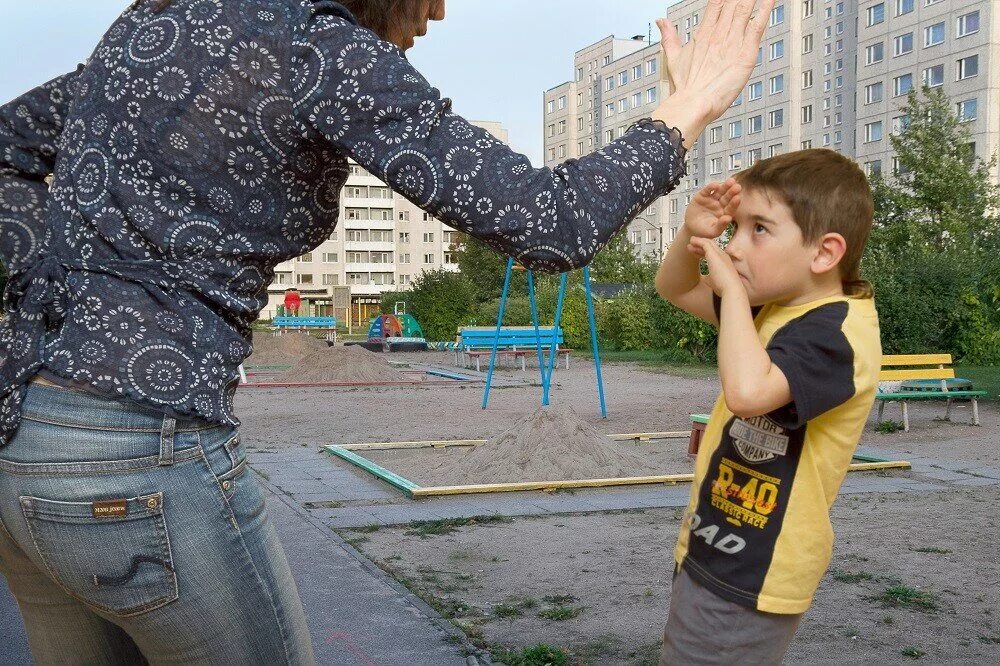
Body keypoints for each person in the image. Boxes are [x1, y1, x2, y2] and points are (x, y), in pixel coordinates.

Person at [0, 0, 771, 662]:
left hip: (20, 443)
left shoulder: (154, 23)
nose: (438, 11)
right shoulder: (314, 44)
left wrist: (59, 283)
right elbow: (548, 224)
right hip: (137, 457)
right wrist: (688, 107)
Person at [654, 148, 881, 664]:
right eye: (735, 228)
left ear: (824, 253)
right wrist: (694, 237)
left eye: (759, 229)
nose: (735, 248)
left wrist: (732, 293)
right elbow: (675, 287)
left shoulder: (838, 333)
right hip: (714, 543)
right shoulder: (774, 307)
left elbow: (749, 393)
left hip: (758, 568)